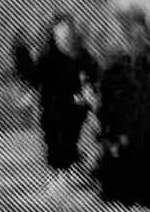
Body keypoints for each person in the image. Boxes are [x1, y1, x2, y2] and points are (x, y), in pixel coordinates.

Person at [90, 8, 150, 212]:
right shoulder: (116, 68)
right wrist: (107, 128)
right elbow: (105, 101)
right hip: (123, 129)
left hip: (144, 130)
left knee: (139, 179)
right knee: (121, 178)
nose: (137, 42)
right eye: (134, 37)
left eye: (141, 38)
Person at [21, 13, 95, 188]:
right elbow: (34, 76)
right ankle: (58, 175)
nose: (64, 33)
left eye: (67, 29)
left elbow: (94, 72)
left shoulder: (80, 53)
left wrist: (87, 90)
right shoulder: (48, 56)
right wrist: (21, 53)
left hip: (75, 106)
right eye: (60, 29)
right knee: (54, 140)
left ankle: (68, 171)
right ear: (53, 32)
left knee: (69, 139)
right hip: (52, 106)